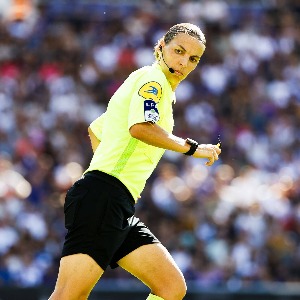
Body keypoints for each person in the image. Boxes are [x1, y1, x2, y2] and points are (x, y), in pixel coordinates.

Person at [49, 23, 221, 300]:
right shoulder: (153, 81)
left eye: (193, 59)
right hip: (105, 195)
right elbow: (141, 127)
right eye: (178, 51)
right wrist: (191, 149)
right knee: (68, 297)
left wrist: (113, 176)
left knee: (171, 287)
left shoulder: (149, 82)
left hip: (112, 198)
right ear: (160, 47)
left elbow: (96, 129)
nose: (183, 62)